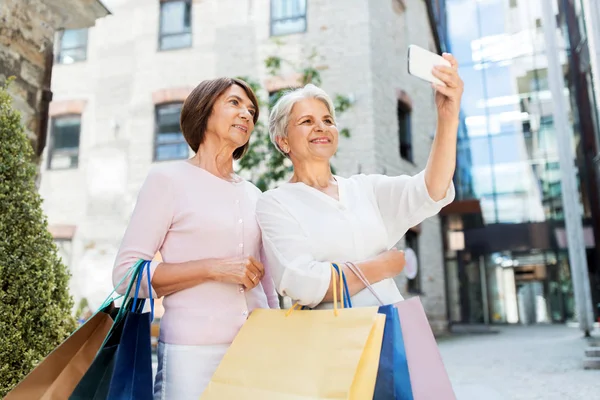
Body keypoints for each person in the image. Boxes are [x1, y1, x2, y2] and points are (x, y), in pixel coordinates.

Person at [112, 77, 280, 399]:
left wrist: (275, 334)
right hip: (191, 354)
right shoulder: (167, 180)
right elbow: (126, 275)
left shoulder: (256, 195)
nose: (246, 114)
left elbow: (267, 282)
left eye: (251, 111)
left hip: (256, 348)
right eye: (234, 103)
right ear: (204, 110)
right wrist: (213, 268)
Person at [256, 54, 464, 309]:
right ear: (283, 141)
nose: (321, 127)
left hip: (389, 333)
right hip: (335, 342)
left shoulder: (366, 189)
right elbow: (303, 284)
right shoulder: (275, 203)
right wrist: (380, 267)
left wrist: (447, 116)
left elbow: (432, 189)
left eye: (327, 120)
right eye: (307, 121)